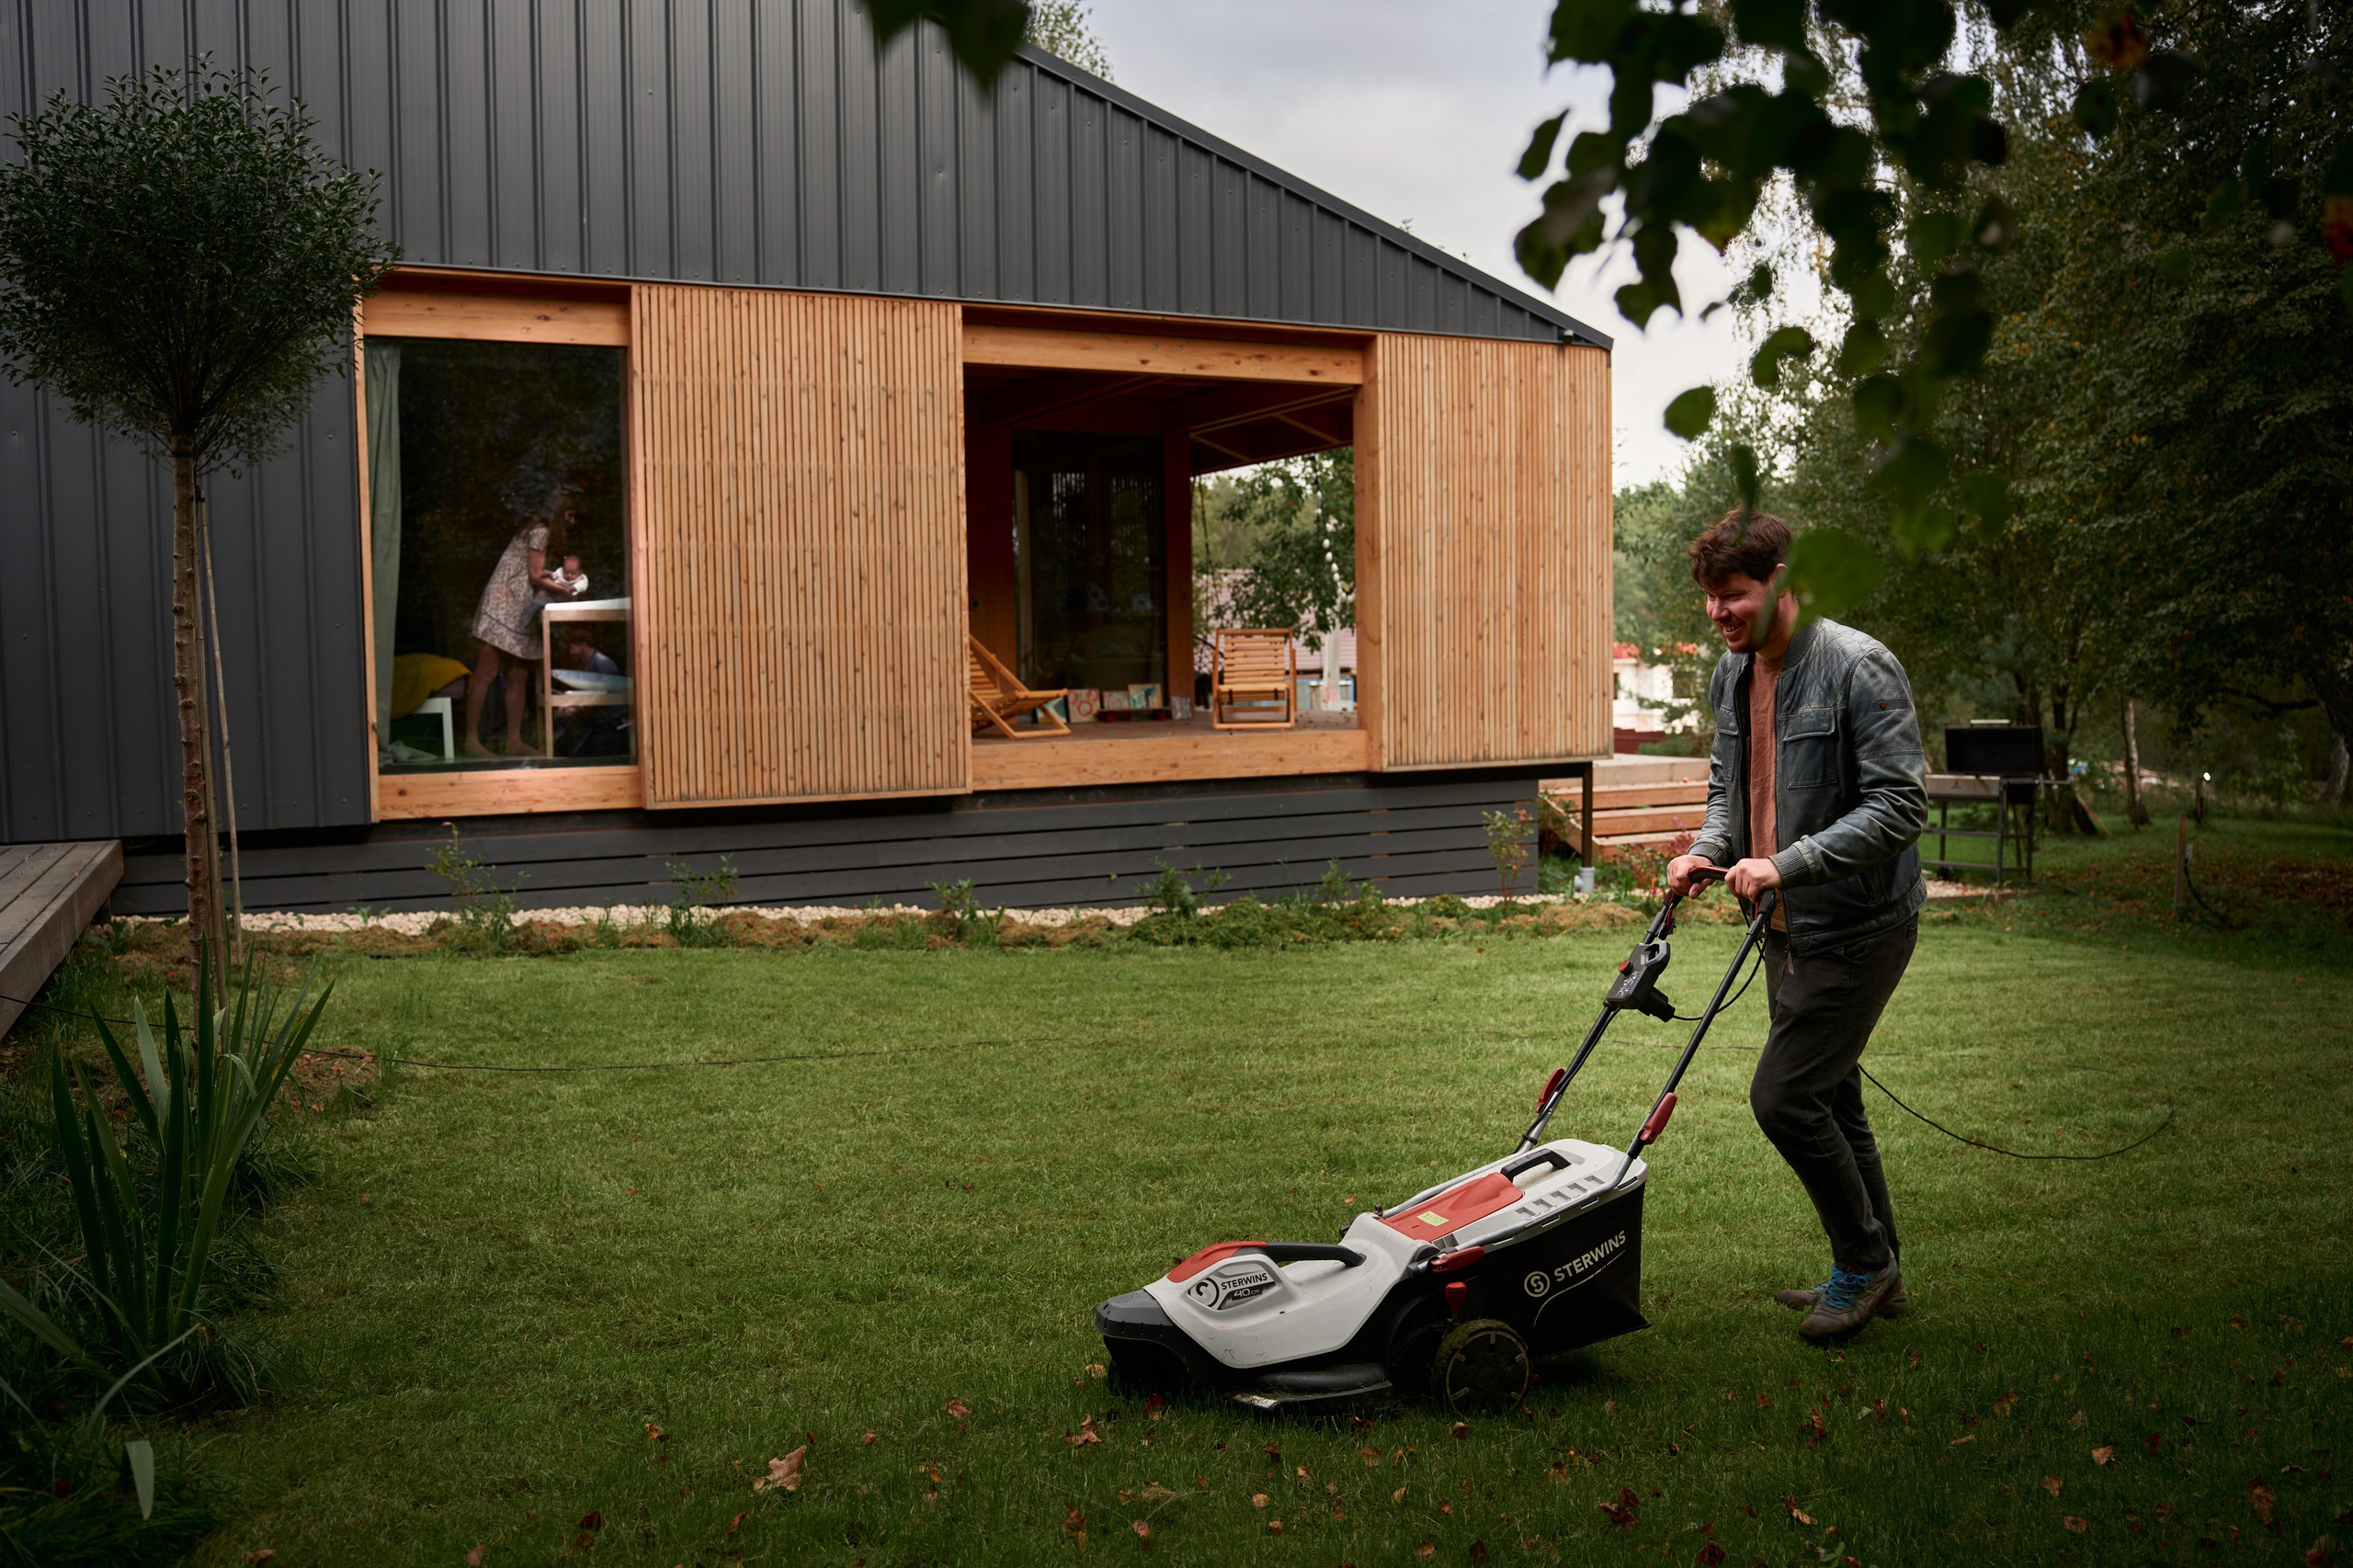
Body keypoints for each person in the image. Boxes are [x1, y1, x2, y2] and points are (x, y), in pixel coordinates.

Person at [1665, 509, 1928, 1344]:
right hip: (1784, 924)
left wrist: (1789, 863)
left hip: (1857, 922)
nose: (1718, 613)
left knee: (1783, 1097)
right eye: (1710, 599)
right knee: (1831, 1092)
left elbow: (1900, 806)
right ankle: (1875, 1264)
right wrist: (1707, 852)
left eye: (1733, 596)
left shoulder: (1858, 666)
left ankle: (1865, 1266)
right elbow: (1727, 788)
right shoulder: (1732, 674)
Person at [463, 492, 582, 758]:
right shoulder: (540, 531)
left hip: (519, 609)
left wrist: (553, 579)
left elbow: (534, 572)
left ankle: (514, 741)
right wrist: (567, 589)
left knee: (519, 674)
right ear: (560, 512)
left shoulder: (541, 532)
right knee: (487, 671)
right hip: (503, 604)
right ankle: (471, 739)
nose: (572, 520)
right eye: (570, 514)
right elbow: (534, 576)